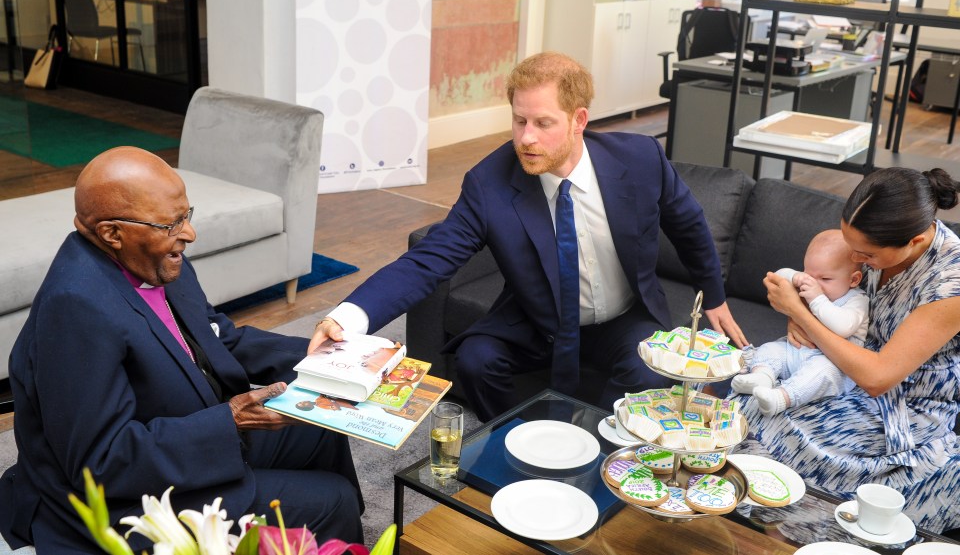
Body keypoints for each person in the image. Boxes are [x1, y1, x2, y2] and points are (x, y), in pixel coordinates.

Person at [311, 51, 747, 422]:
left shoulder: (640, 158)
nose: (526, 138)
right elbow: (430, 259)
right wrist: (349, 317)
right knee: (475, 361)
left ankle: (595, 449)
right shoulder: (489, 183)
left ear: (579, 120)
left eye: (542, 122)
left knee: (651, 374)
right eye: (519, 121)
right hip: (538, 319)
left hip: (623, 316)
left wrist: (713, 296)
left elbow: (688, 223)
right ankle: (514, 439)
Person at [0, 147, 363, 553]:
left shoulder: (155, 258)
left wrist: (333, 359)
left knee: (321, 432)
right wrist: (231, 420)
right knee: (332, 500)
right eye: (171, 223)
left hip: (186, 432)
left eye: (186, 215)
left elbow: (218, 339)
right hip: (123, 500)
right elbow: (100, 463)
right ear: (111, 233)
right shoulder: (75, 308)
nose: (189, 234)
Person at [741, 166, 960, 532]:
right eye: (851, 246)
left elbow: (879, 378)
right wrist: (803, 312)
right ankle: (744, 518)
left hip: (905, 406)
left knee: (778, 425)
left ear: (916, 242)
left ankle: (790, 531)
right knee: (742, 399)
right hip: (842, 369)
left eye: (866, 255)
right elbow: (828, 290)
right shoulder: (870, 242)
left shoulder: (950, 281)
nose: (855, 260)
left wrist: (801, 315)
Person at [731, 229, 868, 416]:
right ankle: (761, 377)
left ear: (853, 280)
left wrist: (818, 300)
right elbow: (778, 275)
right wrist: (794, 277)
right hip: (794, 351)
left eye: (825, 279)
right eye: (809, 275)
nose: (815, 284)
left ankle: (781, 398)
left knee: (822, 374)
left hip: (833, 364)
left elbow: (843, 328)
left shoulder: (857, 301)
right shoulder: (812, 280)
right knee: (770, 349)